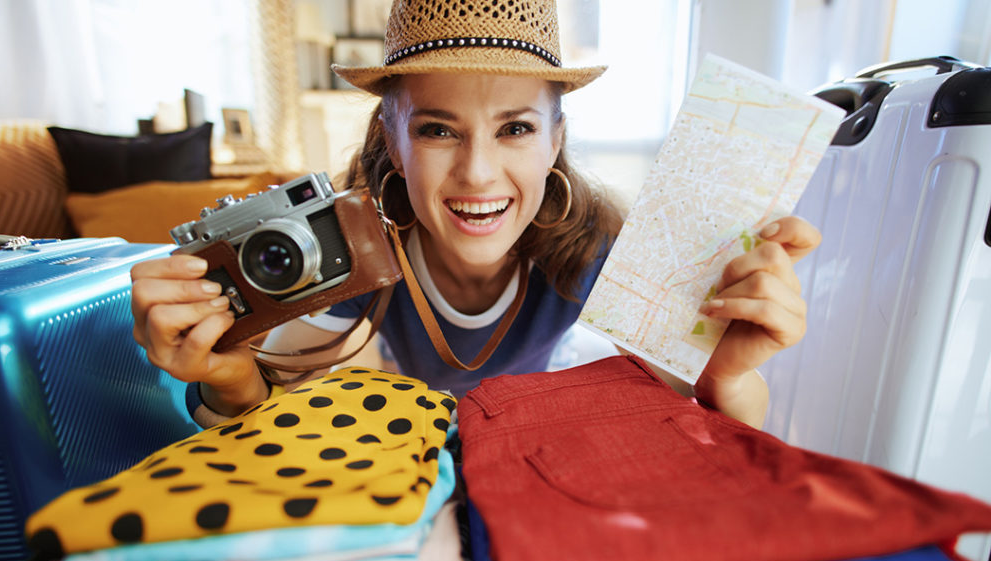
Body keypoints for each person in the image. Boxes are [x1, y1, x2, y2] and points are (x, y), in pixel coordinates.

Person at [130, 0, 820, 430]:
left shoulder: (604, 258)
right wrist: (227, 378)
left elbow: (718, 435)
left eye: (515, 128)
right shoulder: (345, 255)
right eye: (437, 130)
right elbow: (291, 432)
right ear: (392, 141)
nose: (478, 173)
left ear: (556, 138)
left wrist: (725, 373)